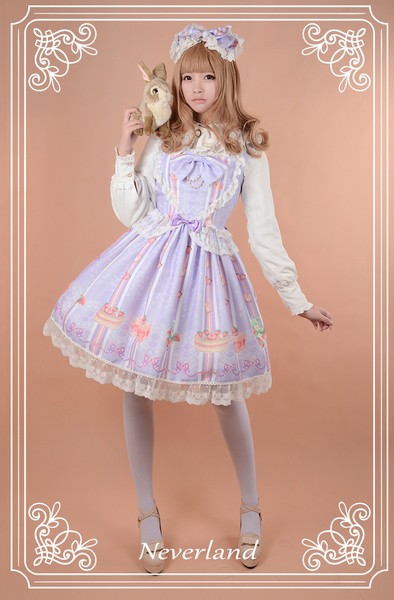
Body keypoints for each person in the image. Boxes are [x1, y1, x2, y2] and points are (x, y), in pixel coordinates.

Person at [43, 23, 334, 574]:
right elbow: (133, 213)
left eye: (208, 77)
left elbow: (264, 230)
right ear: (175, 83)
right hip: (149, 269)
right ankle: (146, 513)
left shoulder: (246, 145)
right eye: (187, 78)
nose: (197, 88)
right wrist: (125, 150)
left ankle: (251, 507)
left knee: (225, 392)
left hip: (208, 277)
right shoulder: (163, 137)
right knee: (135, 383)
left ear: (226, 79)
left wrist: (297, 300)